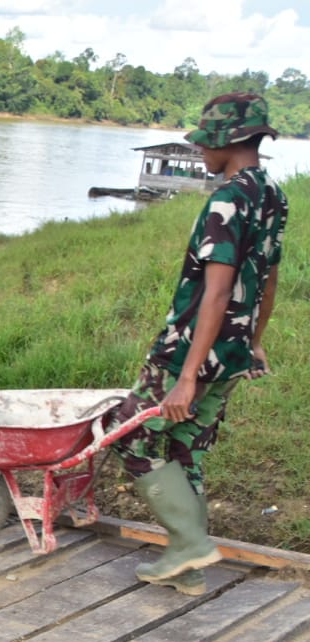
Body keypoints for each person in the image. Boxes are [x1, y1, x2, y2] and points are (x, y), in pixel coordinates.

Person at [106, 93, 288, 597]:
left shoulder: (227, 198)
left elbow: (218, 289)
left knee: (127, 430)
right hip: (233, 351)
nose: (201, 154)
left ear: (227, 142)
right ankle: (193, 567)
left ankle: (188, 544)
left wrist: (186, 374)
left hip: (192, 348)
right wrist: (254, 341)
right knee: (187, 447)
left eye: (206, 143)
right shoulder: (273, 193)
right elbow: (268, 278)